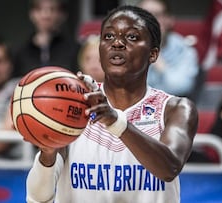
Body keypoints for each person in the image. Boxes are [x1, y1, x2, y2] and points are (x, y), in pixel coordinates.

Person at [26, 5, 198, 203]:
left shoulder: (175, 109)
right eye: (108, 37)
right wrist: (47, 153)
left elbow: (169, 168)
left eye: (132, 37)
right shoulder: (75, 105)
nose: (117, 43)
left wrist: (116, 122)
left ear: (153, 54)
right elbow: (37, 198)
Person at [137, 0, 200, 99]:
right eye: (143, 15)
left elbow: (181, 88)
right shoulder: (124, 47)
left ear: (169, 20)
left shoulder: (185, 51)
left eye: (156, 15)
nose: (149, 21)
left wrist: (154, 54)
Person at [13, 0, 80, 77]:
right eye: (39, 9)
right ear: (31, 14)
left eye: (52, 9)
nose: (46, 15)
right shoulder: (20, 53)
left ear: (62, 15)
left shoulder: (75, 50)